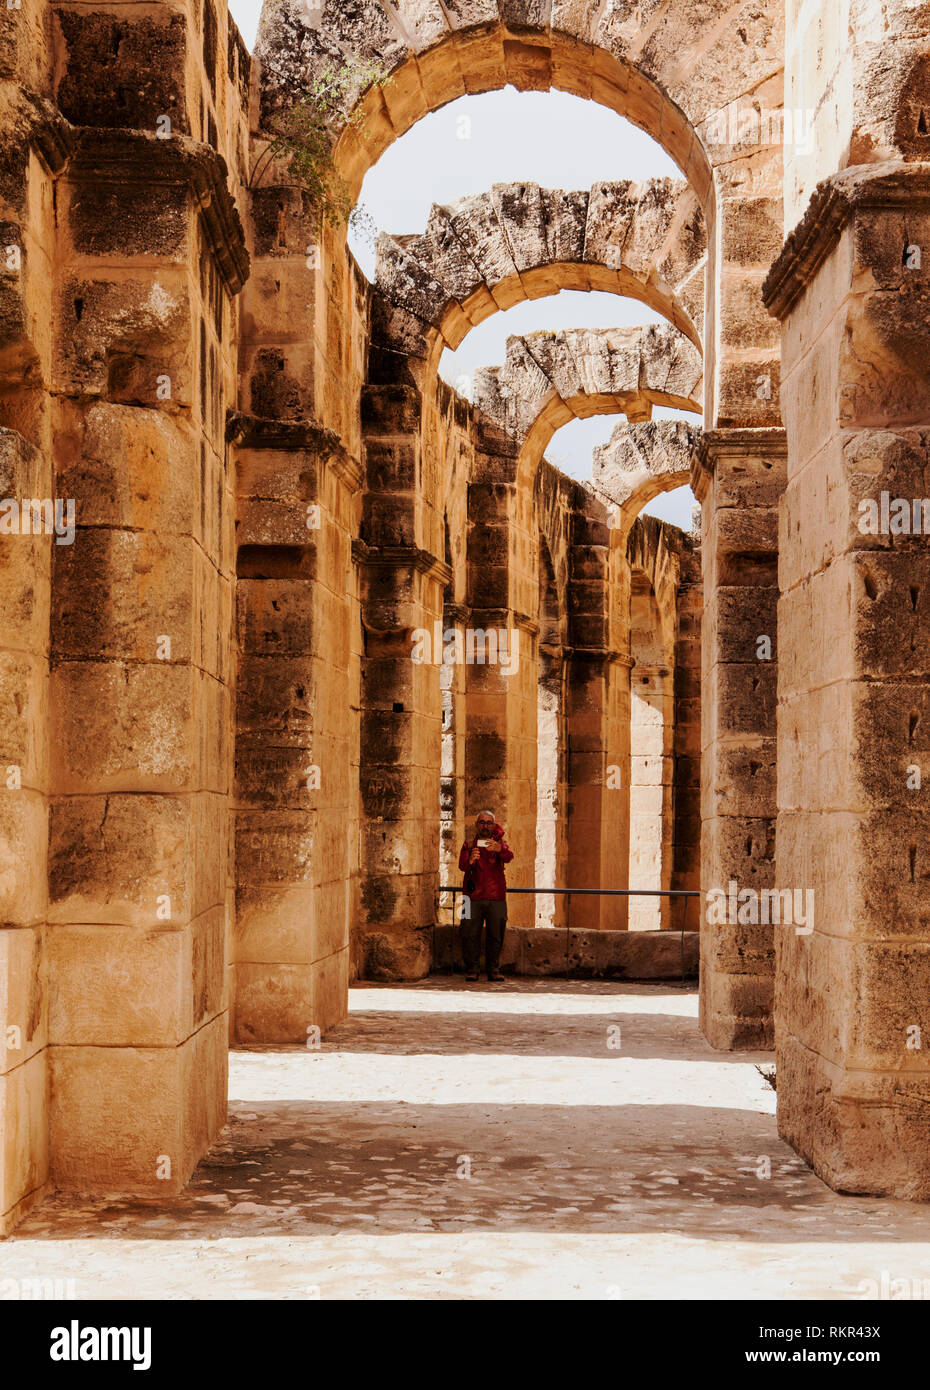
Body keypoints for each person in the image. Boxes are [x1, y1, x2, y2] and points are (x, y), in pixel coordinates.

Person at [458, 811, 513, 982]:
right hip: (469, 896)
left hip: (495, 895)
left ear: (493, 825)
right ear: (476, 825)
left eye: (489, 823)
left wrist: (499, 849)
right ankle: (472, 969)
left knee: (496, 934)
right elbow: (461, 866)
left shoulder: (499, 843)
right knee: (467, 932)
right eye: (482, 822)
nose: (485, 826)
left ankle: (493, 969)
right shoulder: (468, 844)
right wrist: (470, 861)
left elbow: (509, 856)